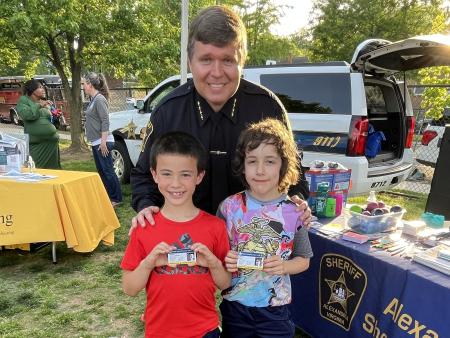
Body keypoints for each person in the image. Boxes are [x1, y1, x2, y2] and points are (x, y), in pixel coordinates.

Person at [130, 5, 311, 229]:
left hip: (253, 242)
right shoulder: (168, 113)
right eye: (206, 59)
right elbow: (143, 176)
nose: (217, 73)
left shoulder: (268, 108)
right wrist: (146, 205)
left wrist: (296, 199)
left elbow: (294, 174)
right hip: (186, 242)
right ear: (190, 61)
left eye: (228, 60)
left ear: (242, 60)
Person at [121, 131, 230, 338]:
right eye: (167, 173)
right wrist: (149, 262)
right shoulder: (144, 227)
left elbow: (225, 283)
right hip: (159, 331)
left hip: (205, 330)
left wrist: (213, 263)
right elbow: (129, 288)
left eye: (185, 174)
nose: (176, 183)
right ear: (154, 175)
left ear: (199, 176)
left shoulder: (215, 226)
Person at [217, 118, 313, 338]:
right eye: (252, 161)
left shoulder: (294, 211)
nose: (260, 170)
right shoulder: (229, 207)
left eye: (270, 161)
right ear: (243, 165)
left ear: (283, 165)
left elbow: (304, 260)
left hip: (274, 309)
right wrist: (225, 258)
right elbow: (217, 253)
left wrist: (283, 267)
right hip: (235, 306)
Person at [82, 72, 122, 207]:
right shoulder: (93, 99)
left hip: (102, 141)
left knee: (108, 170)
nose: (83, 86)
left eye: (83, 84)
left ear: (90, 85)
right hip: (97, 141)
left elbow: (105, 120)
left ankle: (116, 198)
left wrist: (103, 142)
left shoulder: (99, 99)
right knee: (102, 171)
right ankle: (108, 196)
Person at [16, 79, 60, 169]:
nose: (43, 89)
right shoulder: (23, 101)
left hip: (51, 146)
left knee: (53, 173)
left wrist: (55, 116)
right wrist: (40, 105)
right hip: (37, 146)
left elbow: (49, 120)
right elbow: (29, 115)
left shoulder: (43, 101)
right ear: (32, 90)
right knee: (37, 170)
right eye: (40, 87)